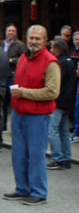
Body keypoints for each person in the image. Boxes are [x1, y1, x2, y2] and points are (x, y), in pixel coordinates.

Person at [5, 25, 60, 206]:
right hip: (19, 113)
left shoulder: (50, 62)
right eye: (31, 38)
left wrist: (24, 93)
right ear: (27, 39)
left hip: (38, 115)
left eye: (38, 38)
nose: (34, 41)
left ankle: (38, 192)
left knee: (35, 155)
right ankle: (22, 189)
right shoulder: (23, 57)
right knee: (19, 154)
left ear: (45, 40)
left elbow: (52, 92)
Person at [47, 38, 76, 169]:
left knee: (52, 130)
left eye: (52, 48)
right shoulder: (70, 61)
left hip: (58, 102)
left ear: (57, 49)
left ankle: (57, 158)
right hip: (68, 102)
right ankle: (66, 158)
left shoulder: (59, 63)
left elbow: (56, 83)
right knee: (63, 131)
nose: (51, 50)